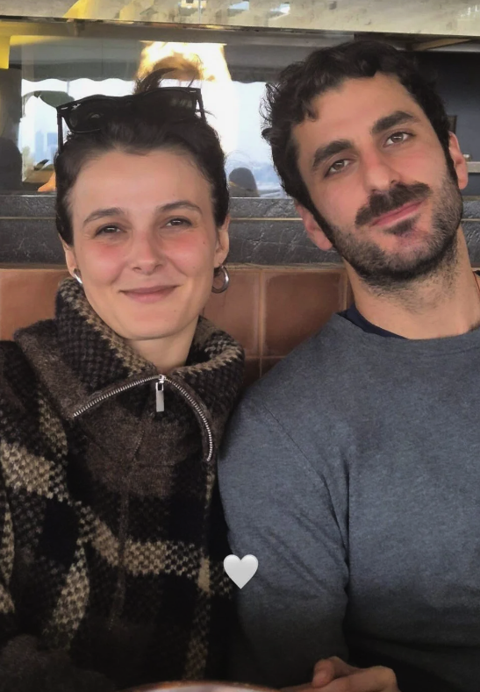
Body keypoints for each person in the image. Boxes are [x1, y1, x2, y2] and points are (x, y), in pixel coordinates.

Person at [219, 39, 480, 692]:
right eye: (338, 164)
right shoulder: (285, 432)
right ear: (312, 222)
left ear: (454, 157)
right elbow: (311, 671)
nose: (380, 179)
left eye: (396, 136)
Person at [0, 74, 245, 692]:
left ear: (220, 238)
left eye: (176, 221)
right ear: (71, 254)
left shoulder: (266, 423)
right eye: (109, 228)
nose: (146, 256)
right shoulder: (8, 401)